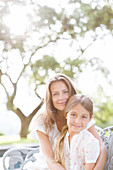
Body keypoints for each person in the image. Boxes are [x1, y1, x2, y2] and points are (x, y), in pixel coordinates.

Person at [29, 73, 107, 170]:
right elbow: (49, 159)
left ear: (71, 93)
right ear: (50, 98)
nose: (61, 98)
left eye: (65, 92)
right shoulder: (42, 121)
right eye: (55, 94)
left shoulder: (82, 116)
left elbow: (102, 148)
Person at [55, 94, 100, 170]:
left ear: (90, 119)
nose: (77, 121)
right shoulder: (60, 138)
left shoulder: (90, 142)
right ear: (66, 114)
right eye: (73, 115)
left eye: (83, 117)